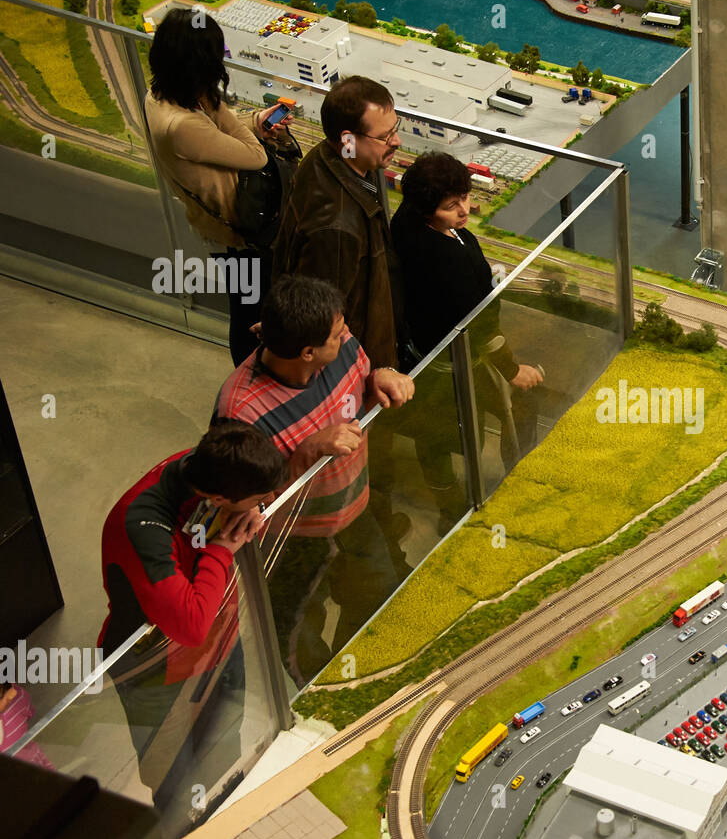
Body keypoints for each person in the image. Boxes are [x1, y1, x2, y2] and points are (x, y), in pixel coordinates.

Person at [212, 275, 414, 681]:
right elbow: (235, 504)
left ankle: (355, 672)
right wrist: (305, 452)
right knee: (297, 632)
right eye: (337, 334)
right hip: (293, 544)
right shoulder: (241, 413)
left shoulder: (340, 349)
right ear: (307, 352)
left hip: (354, 510)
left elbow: (360, 393)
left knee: (379, 590)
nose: (347, 336)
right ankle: (322, 695)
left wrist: (381, 377)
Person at [98, 421, 287, 816]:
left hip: (220, 646)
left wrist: (253, 511)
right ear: (218, 498)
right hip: (155, 672)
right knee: (175, 787)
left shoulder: (204, 468)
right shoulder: (142, 523)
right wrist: (221, 548)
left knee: (223, 753)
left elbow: (247, 500)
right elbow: (190, 626)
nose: (264, 502)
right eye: (258, 498)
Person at [390, 152, 543, 524]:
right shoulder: (444, 262)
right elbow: (479, 322)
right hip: (451, 366)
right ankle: (467, 502)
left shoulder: (409, 222)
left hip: (428, 355)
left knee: (437, 440)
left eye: (464, 197)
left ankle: (452, 505)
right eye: (451, 206)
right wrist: (510, 370)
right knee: (443, 438)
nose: (464, 211)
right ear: (428, 211)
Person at [145, 7, 293, 365]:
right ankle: (251, 386)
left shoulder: (159, 95)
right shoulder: (181, 125)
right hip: (240, 232)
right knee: (252, 313)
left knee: (247, 306)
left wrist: (247, 121)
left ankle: (250, 382)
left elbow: (215, 135)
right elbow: (255, 157)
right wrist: (228, 112)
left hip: (226, 229)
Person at [272, 76, 404, 370]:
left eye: (395, 129)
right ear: (347, 139)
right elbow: (322, 325)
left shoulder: (327, 157)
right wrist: (371, 373)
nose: (396, 141)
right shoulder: (337, 228)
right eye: (385, 136)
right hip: (357, 369)